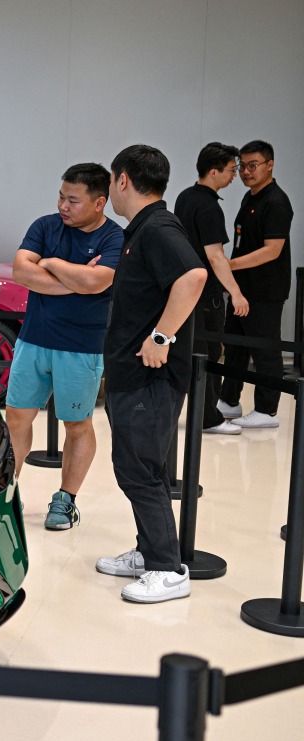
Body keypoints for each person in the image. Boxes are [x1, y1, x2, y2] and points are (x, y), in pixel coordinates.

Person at [95, 145, 206, 604]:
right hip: (131, 373)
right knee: (141, 467)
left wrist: (161, 338)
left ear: (122, 180)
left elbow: (194, 276)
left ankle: (167, 568)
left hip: (150, 376)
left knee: (139, 470)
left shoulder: (158, 228)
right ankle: (149, 551)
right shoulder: (141, 229)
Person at [7, 163, 123, 531]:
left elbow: (99, 282)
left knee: (77, 423)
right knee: (16, 419)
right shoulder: (44, 226)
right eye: (61, 196)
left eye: (73, 200)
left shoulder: (114, 238)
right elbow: (22, 272)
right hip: (33, 340)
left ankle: (66, 499)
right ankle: (6, 493)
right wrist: (79, 278)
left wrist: (52, 263)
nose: (63, 205)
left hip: (82, 347)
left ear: (99, 202)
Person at [218, 140, 294, 429]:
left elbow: (272, 249)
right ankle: (229, 400)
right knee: (235, 346)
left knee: (265, 349)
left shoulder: (276, 202)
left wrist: (229, 265)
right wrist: (231, 279)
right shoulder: (250, 198)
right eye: (243, 167)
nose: (247, 172)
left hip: (265, 290)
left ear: (270, 165)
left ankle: (267, 409)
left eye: (253, 165)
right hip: (242, 288)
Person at [173, 143, 247, 435]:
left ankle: (204, 413)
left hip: (185, 290)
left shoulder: (184, 197)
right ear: (213, 171)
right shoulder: (210, 207)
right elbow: (216, 256)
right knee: (210, 354)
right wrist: (236, 293)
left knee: (194, 352)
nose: (234, 176)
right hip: (206, 295)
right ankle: (208, 418)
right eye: (231, 170)